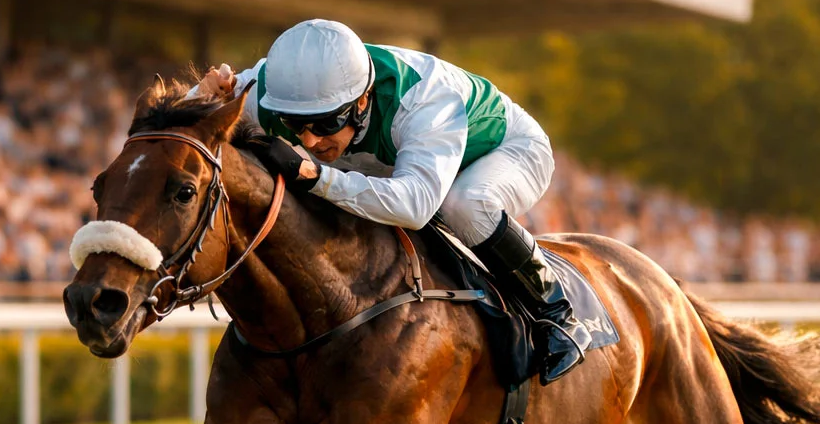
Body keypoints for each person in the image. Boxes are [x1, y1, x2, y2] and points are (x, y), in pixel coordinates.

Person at [194, 19, 588, 382]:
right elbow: (177, 133)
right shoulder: (271, 89)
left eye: (327, 123)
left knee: (461, 205)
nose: (311, 140)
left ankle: (556, 311)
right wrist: (199, 97)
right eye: (298, 125)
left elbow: (416, 206)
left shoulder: (424, 100)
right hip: (402, 162)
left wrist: (317, 176)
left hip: (506, 151)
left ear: (362, 101)